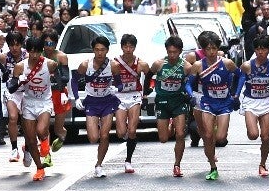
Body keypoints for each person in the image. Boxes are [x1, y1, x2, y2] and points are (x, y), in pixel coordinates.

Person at [7, 36, 60, 181]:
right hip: (29, 102)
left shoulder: (50, 64)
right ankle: (39, 168)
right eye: (32, 52)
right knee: (30, 140)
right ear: (28, 51)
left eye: (37, 52)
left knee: (41, 130)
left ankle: (45, 145)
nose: (35, 55)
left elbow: (61, 79)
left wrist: (61, 91)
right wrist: (19, 82)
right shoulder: (20, 66)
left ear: (41, 51)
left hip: (44, 101)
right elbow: (11, 88)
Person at [188, 31, 238, 180]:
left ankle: (215, 136)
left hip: (224, 103)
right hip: (207, 102)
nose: (211, 52)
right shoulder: (198, 65)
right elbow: (188, 84)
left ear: (218, 48)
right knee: (207, 136)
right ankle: (212, 166)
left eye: (214, 49)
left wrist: (235, 94)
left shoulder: (227, 63)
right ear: (203, 50)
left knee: (221, 138)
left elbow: (240, 75)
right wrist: (191, 95)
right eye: (207, 49)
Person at [72, 36, 121, 178]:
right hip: (92, 102)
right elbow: (74, 81)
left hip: (107, 101)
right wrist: (77, 98)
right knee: (93, 137)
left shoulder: (113, 65)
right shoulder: (85, 65)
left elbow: (119, 83)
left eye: (103, 50)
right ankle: (98, 162)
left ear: (107, 50)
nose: (100, 53)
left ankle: (99, 165)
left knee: (104, 135)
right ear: (93, 50)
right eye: (97, 50)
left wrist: (116, 89)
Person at [146, 35, 193, 178]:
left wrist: (190, 94)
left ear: (180, 52)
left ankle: (177, 165)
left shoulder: (186, 67)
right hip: (162, 102)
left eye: (175, 52)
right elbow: (149, 75)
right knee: (163, 138)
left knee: (180, 134)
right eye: (169, 52)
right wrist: (146, 91)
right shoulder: (159, 64)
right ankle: (170, 124)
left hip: (178, 101)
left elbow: (191, 82)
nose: (172, 55)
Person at [236, 36, 269, 177]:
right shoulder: (247, 65)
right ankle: (251, 127)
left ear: (268, 50)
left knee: (265, 137)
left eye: (264, 49)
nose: (261, 52)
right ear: (255, 50)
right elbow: (240, 80)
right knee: (253, 135)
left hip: (266, 102)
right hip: (251, 102)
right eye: (258, 49)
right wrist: (235, 96)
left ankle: (262, 164)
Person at [114, 34, 150, 173]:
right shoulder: (115, 63)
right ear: (122, 47)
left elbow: (149, 74)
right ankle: (129, 138)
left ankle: (128, 161)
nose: (128, 49)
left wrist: (146, 92)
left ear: (134, 47)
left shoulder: (141, 64)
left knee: (132, 130)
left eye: (131, 46)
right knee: (121, 132)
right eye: (125, 46)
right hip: (119, 97)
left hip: (134, 96)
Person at [0, 32, 27, 162]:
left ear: (21, 44)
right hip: (12, 92)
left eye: (17, 45)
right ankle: (14, 149)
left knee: (27, 122)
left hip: (27, 91)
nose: (14, 48)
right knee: (13, 117)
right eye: (11, 45)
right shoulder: (3, 57)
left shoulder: (27, 56)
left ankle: (28, 146)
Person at [42, 29, 70, 158]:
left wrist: (55, 75)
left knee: (58, 128)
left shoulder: (61, 56)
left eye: (51, 44)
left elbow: (66, 77)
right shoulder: (38, 55)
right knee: (44, 126)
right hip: (43, 93)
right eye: (46, 43)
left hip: (58, 92)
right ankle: (45, 152)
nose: (49, 47)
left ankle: (62, 134)